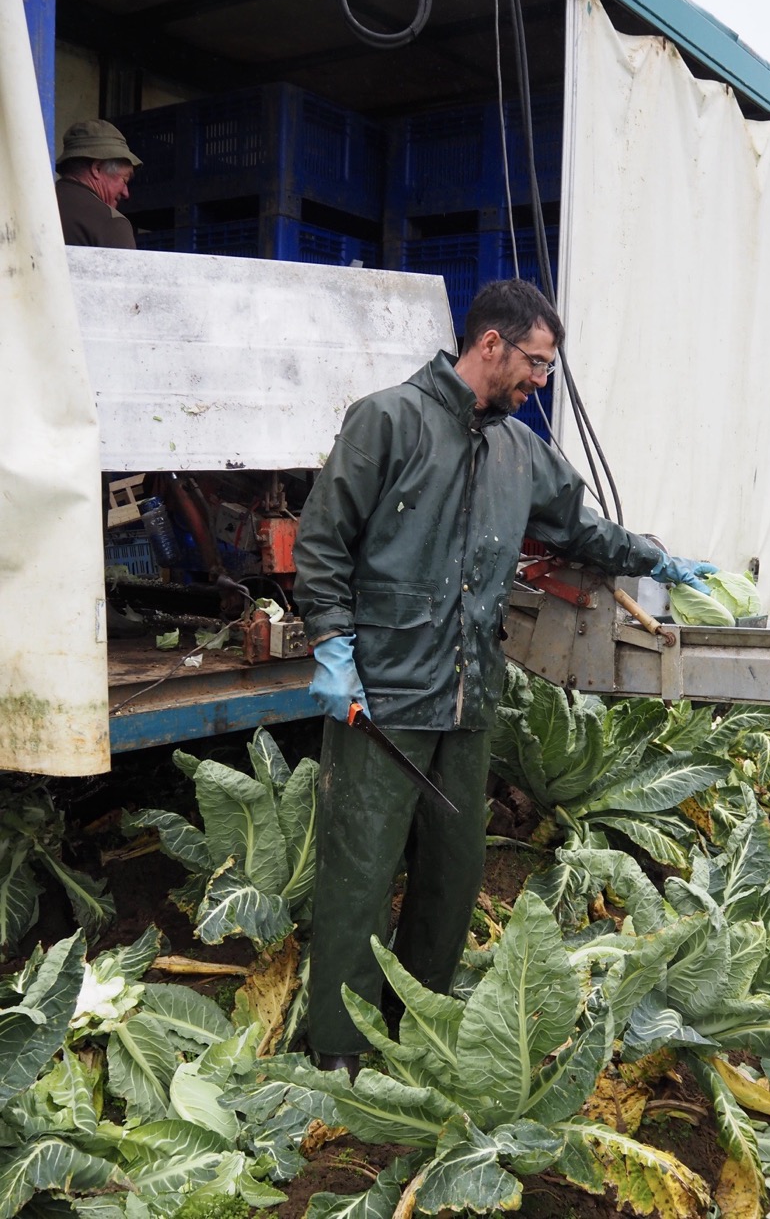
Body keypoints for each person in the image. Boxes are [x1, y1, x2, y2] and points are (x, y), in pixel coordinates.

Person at [293, 278, 715, 1074]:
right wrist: (331, 645)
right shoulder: (388, 419)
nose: (540, 381)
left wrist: (655, 556)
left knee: (454, 874)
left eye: (546, 369)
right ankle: (340, 1051)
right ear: (491, 343)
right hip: (381, 694)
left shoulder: (519, 450)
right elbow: (323, 543)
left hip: (467, 690)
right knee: (359, 873)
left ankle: (416, 1023)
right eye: (536, 362)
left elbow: (581, 528)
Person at [55, 120, 141, 248]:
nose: (126, 193)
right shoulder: (110, 222)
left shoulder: (33, 205)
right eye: (124, 180)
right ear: (97, 168)